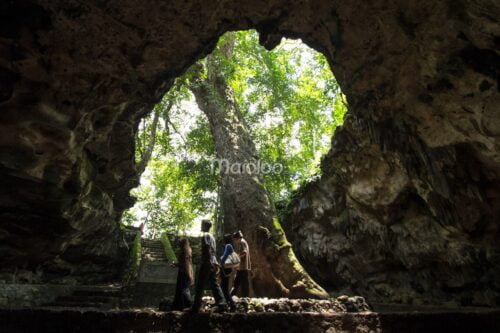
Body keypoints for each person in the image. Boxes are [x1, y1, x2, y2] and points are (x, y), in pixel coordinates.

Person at [191, 219, 227, 313]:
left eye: (202, 224)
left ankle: (196, 307)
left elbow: (207, 249)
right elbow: (213, 251)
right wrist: (214, 263)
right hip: (212, 262)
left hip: (207, 262)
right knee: (214, 284)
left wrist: (208, 262)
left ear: (205, 226)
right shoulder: (212, 237)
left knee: (200, 284)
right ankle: (222, 303)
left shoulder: (205, 236)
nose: (200, 226)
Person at [171, 238, 194, 311]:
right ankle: (180, 306)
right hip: (184, 271)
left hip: (183, 272)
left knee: (184, 289)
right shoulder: (188, 250)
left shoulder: (185, 251)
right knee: (181, 290)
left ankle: (188, 305)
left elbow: (186, 264)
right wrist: (176, 264)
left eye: (180, 242)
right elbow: (188, 263)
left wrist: (189, 274)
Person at [231, 230, 251, 297]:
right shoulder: (242, 242)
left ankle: (245, 297)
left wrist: (237, 257)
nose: (235, 241)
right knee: (237, 282)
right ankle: (231, 296)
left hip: (243, 267)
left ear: (238, 238)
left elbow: (244, 252)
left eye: (235, 240)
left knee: (243, 283)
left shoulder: (242, 242)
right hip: (241, 267)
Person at [220, 234, 237, 311]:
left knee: (223, 287)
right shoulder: (230, 246)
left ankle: (231, 303)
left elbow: (225, 256)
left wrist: (221, 261)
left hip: (226, 269)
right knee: (224, 286)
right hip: (229, 269)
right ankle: (227, 303)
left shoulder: (228, 246)